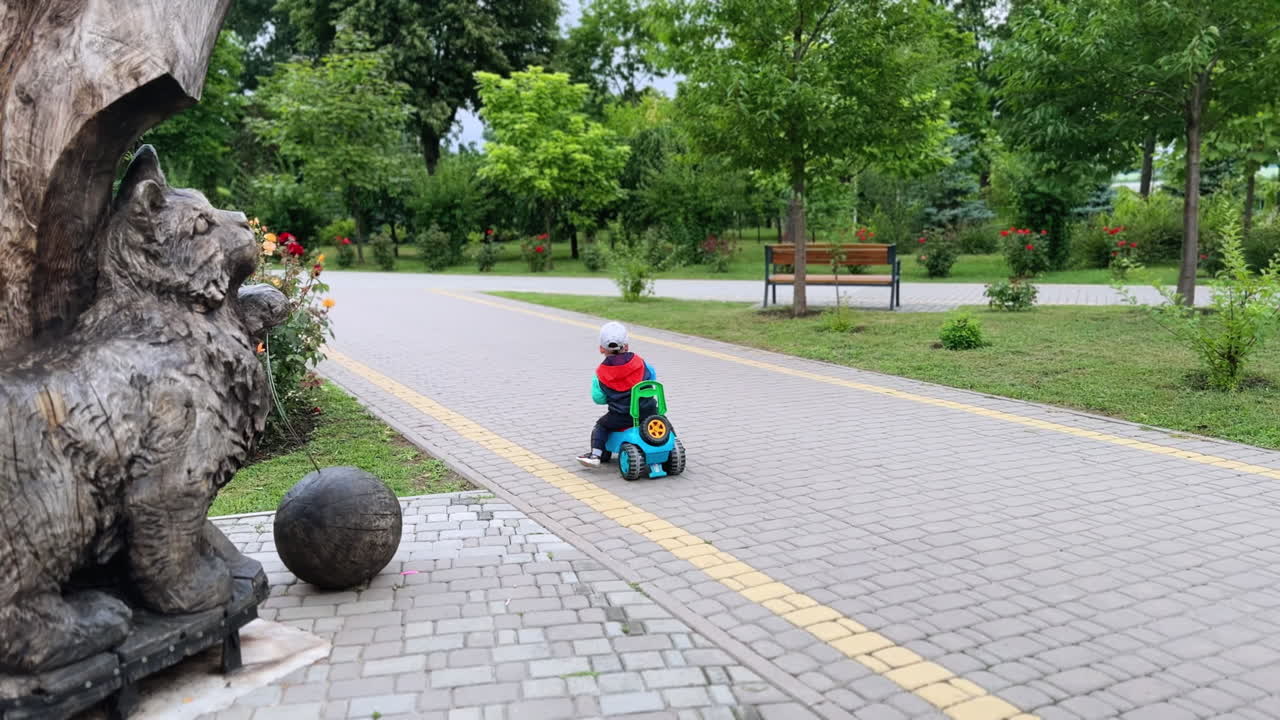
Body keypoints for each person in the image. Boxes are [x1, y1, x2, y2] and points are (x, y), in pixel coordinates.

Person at [577, 321, 657, 468]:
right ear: (626, 346)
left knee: (601, 425)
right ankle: (671, 443)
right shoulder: (640, 362)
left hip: (622, 417)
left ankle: (596, 454)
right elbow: (652, 378)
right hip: (649, 412)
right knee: (663, 421)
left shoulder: (601, 373)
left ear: (601, 349)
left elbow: (598, 398)